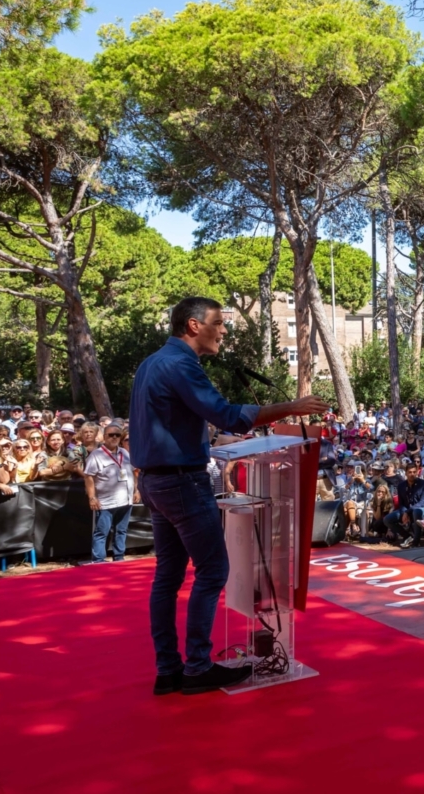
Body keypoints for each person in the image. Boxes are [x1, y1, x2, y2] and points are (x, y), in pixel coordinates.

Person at [130, 297, 327, 697]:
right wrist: (293, 407)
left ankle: (168, 670)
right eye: (218, 323)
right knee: (213, 571)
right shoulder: (181, 364)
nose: (223, 331)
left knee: (167, 577)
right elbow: (225, 414)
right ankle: (198, 668)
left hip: (154, 481)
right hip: (183, 483)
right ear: (192, 325)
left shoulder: (151, 363)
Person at [83, 426, 135, 564]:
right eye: (111, 435)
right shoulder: (96, 455)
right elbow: (88, 477)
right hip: (106, 502)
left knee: (122, 530)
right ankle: (99, 559)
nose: (114, 438)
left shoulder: (125, 452)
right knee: (101, 532)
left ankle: (119, 557)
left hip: (126, 500)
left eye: (117, 435)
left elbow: (134, 472)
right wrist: (92, 497)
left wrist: (137, 491)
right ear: (104, 436)